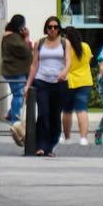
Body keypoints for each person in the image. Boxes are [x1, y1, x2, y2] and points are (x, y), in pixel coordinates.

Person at [25, 16, 72, 156]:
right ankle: (40, 145)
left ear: (59, 29)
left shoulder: (65, 43)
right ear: (46, 28)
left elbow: (68, 61)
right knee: (43, 113)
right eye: (50, 27)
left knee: (55, 116)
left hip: (59, 83)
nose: (52, 29)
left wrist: (63, 72)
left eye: (55, 27)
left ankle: (50, 146)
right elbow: (34, 64)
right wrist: (27, 85)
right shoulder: (39, 43)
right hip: (41, 81)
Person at [61, 26, 94, 146]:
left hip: (69, 81)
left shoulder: (65, 48)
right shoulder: (85, 46)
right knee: (82, 110)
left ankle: (68, 138)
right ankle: (83, 138)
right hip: (84, 81)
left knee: (67, 111)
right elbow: (89, 61)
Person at [0, 15, 32, 124]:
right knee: (19, 95)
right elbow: (24, 50)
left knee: (20, 95)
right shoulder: (11, 37)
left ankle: (10, 114)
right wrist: (26, 37)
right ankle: (15, 120)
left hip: (17, 70)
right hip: (15, 71)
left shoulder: (14, 36)